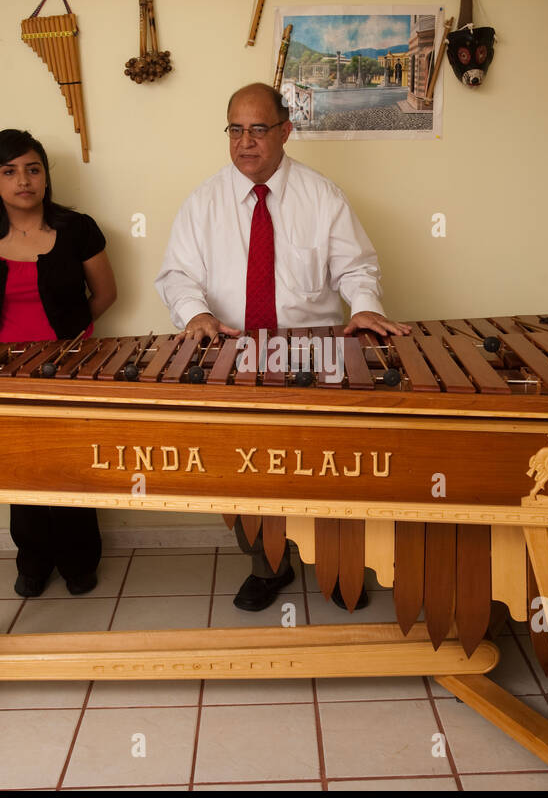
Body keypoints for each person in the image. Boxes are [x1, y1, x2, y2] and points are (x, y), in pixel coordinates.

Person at [155, 83, 410, 612]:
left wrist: (364, 304)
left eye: (258, 129)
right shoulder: (202, 202)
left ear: (285, 131)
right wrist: (196, 314)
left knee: (329, 466)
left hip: (313, 354)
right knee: (245, 468)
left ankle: (339, 566)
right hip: (233, 351)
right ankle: (267, 565)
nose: (246, 142)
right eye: (235, 129)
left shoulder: (323, 195)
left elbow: (356, 267)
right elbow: (177, 274)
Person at [0, 128, 116, 597]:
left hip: (69, 368)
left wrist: (70, 339)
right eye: (9, 171)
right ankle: (33, 561)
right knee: (18, 469)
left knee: (71, 467)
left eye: (33, 168)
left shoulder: (78, 228)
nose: (23, 180)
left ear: (45, 176)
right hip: (0, 371)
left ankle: (80, 561)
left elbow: (104, 294)